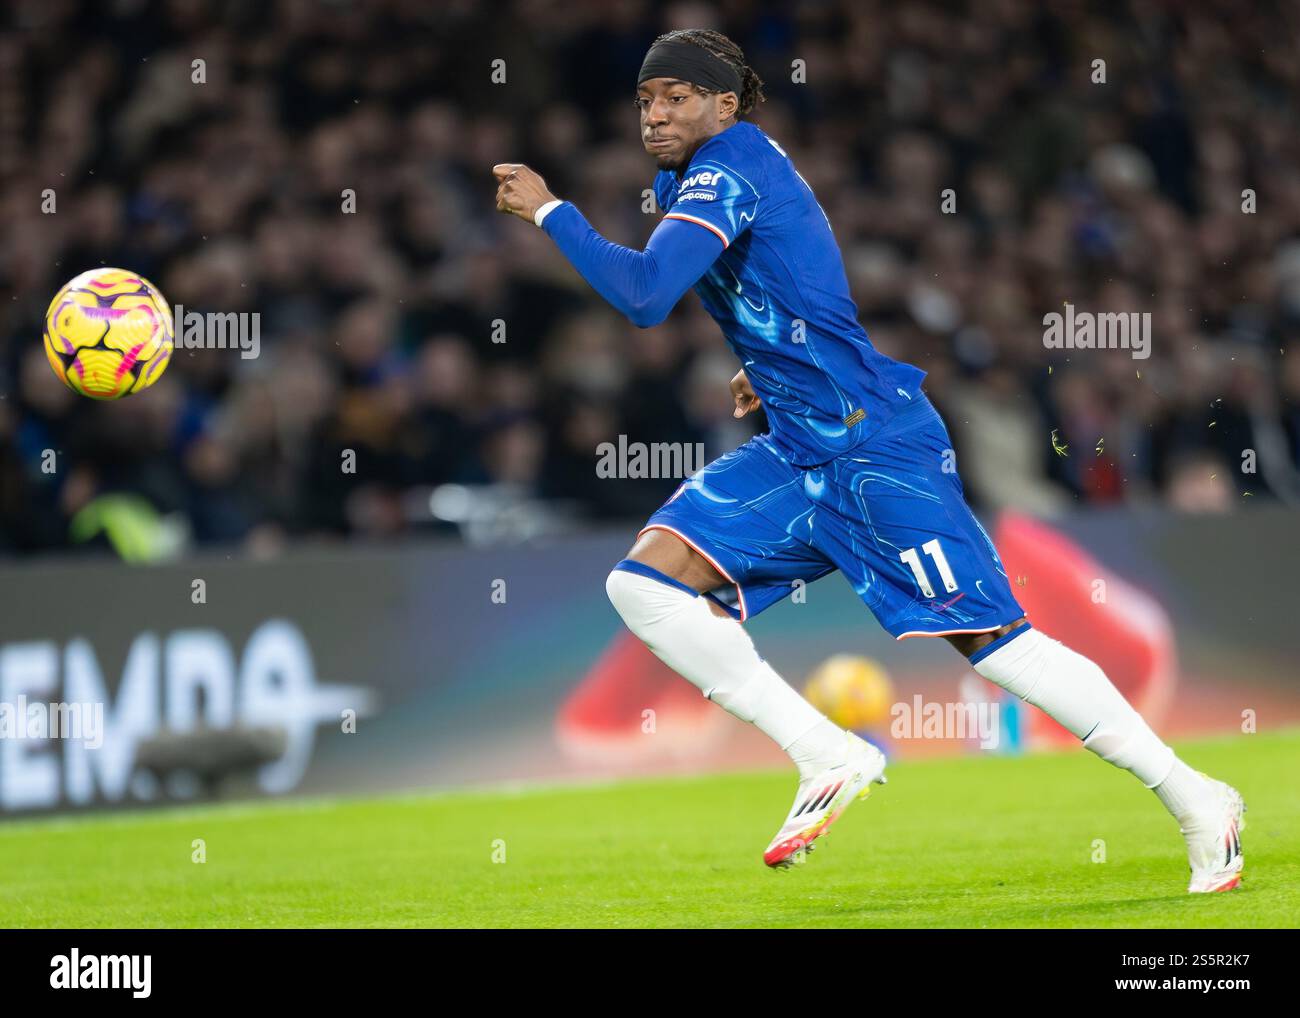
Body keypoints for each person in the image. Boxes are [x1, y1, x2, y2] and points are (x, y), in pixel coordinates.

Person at [492, 28, 1243, 891]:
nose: (654, 115)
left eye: (675, 97)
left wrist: (551, 211)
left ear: (723, 106)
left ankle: (1198, 799)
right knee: (643, 583)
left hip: (874, 448)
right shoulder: (702, 172)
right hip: (801, 443)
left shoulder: (725, 166)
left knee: (999, 649)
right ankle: (825, 753)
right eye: (644, 101)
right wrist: (775, 362)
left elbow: (645, 296)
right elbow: (797, 266)